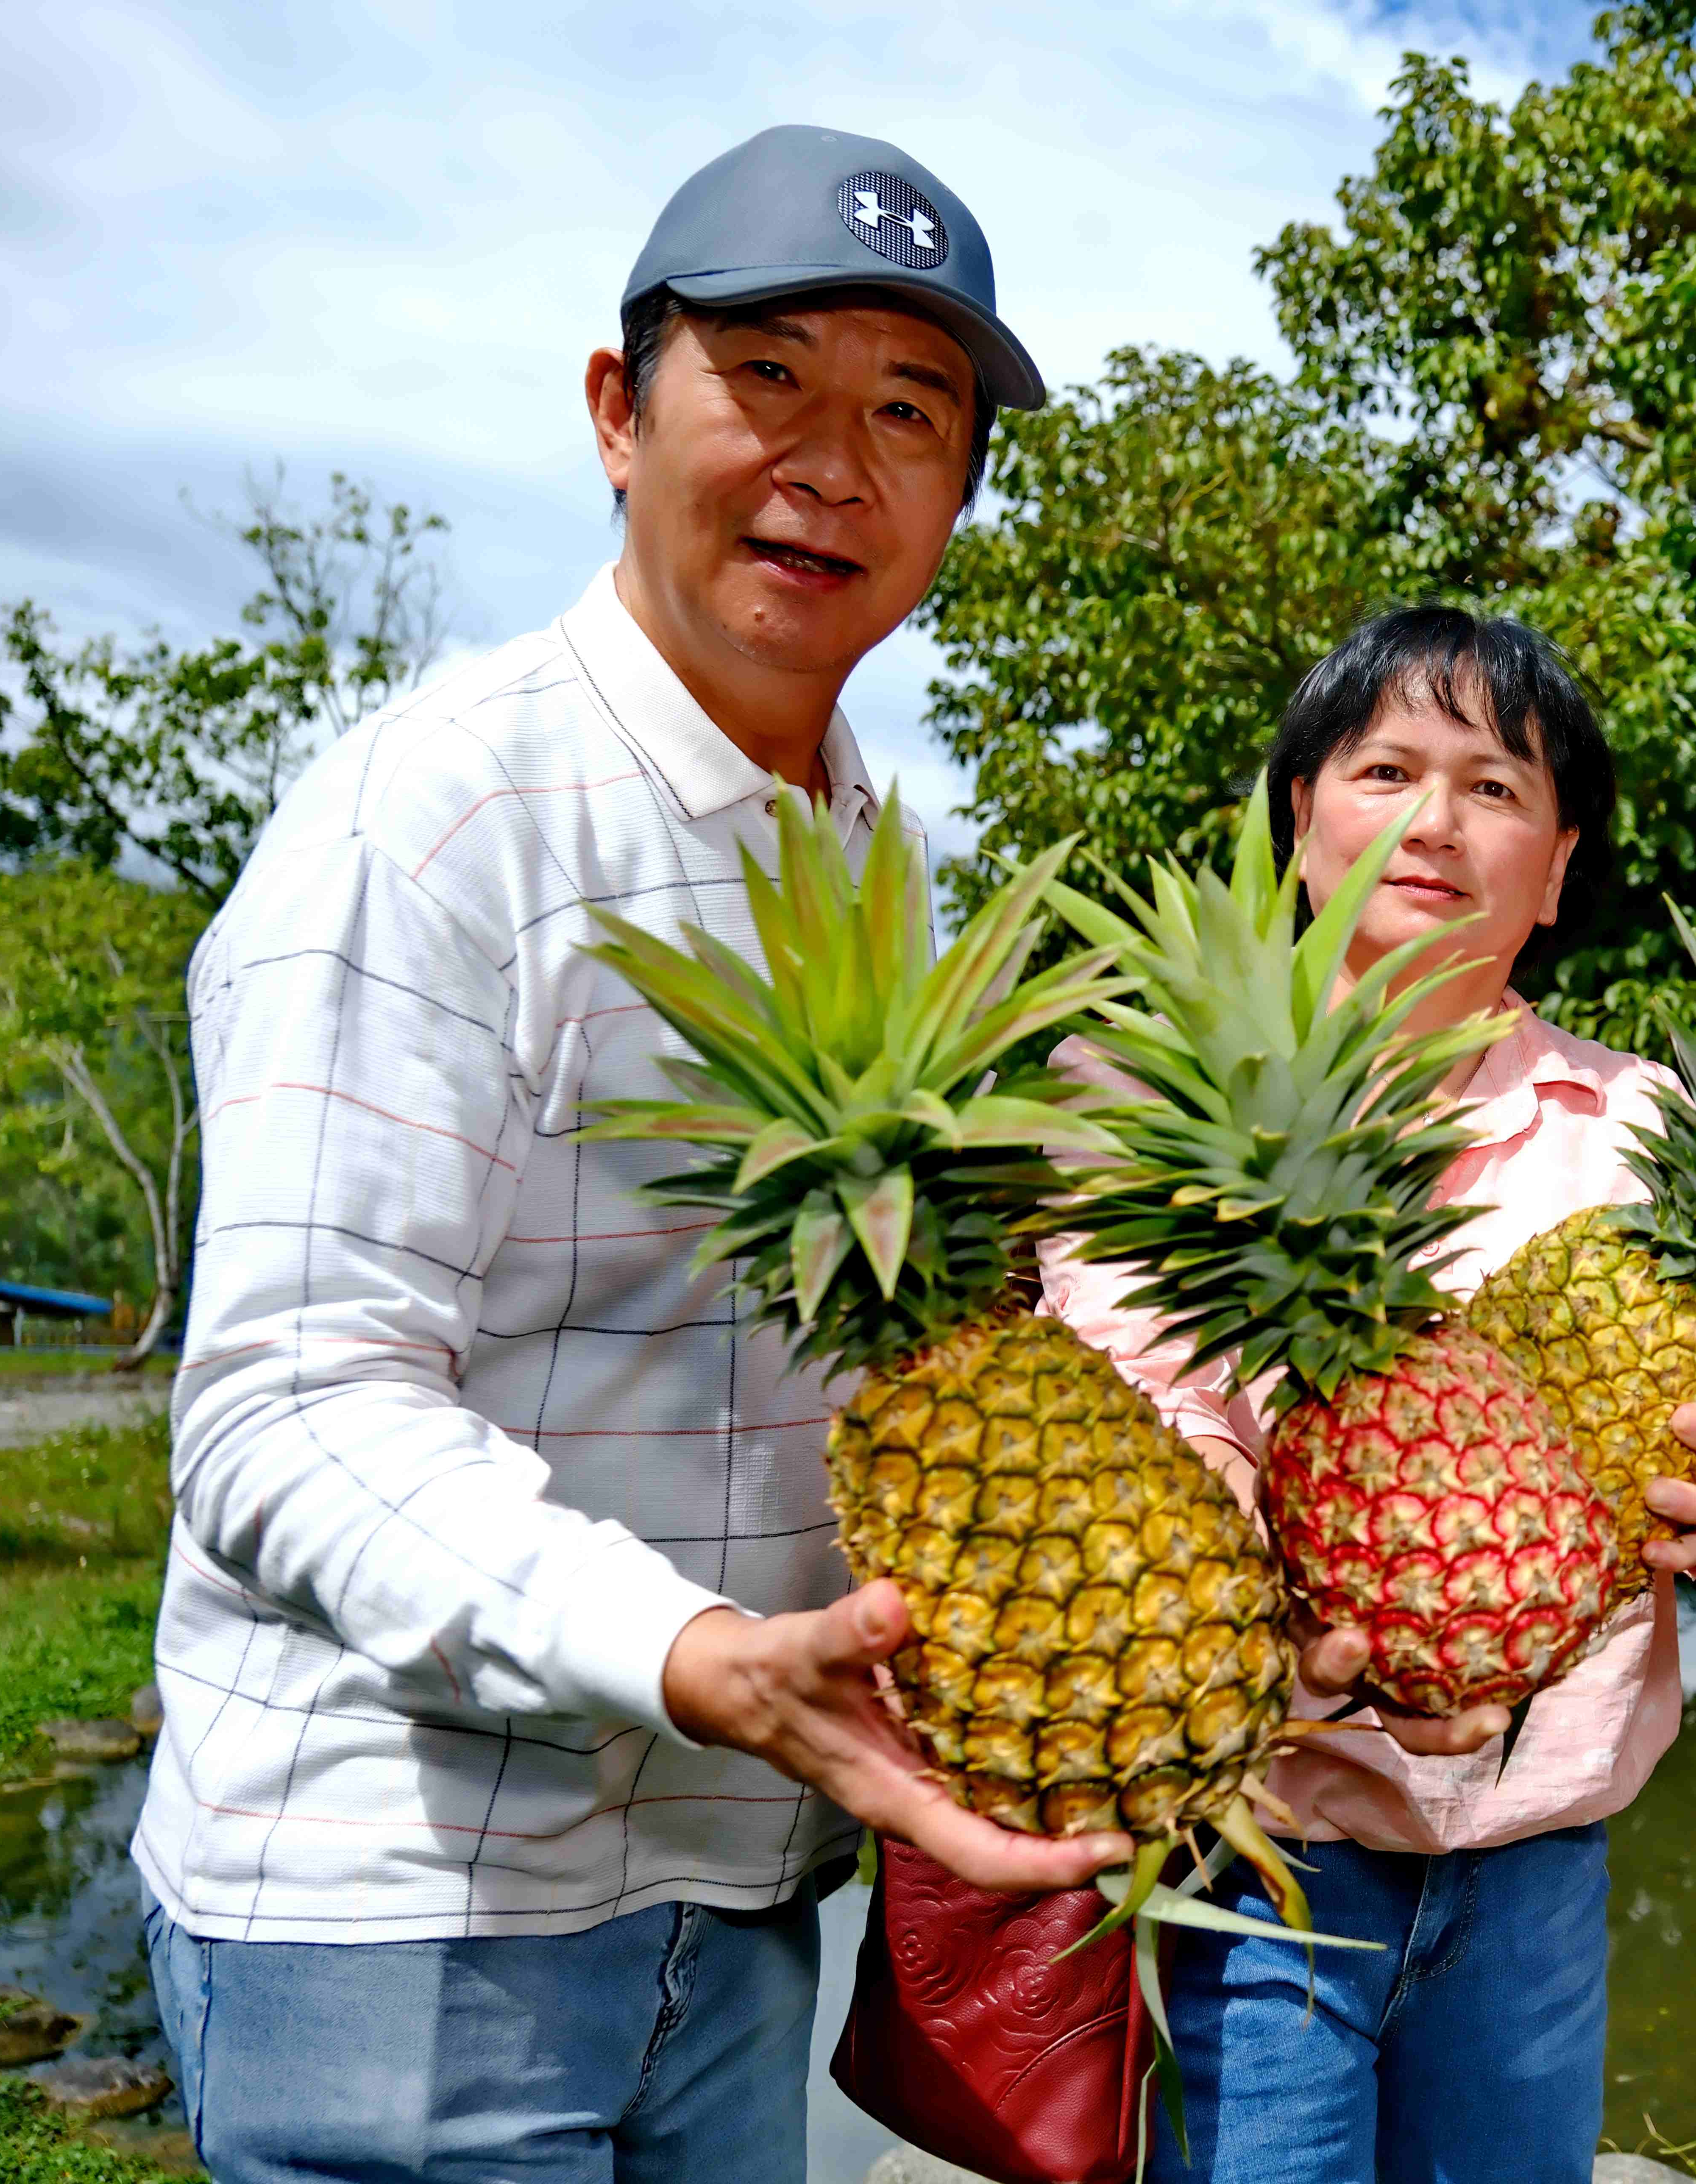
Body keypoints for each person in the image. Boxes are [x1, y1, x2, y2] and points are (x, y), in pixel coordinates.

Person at [132, 127, 1112, 2181]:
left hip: (735, 1898)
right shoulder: (442, 817)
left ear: (956, 499)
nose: (836, 462)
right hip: (414, 1917)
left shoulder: (876, 869)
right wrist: (681, 1651)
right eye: (770, 377)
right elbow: (287, 1406)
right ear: (615, 409)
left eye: (911, 414)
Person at [1039, 606, 1696, 2184]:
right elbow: (1142, 1409)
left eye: (1494, 787)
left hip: (1540, 1871)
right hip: (1253, 1868)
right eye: (1385, 768)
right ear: (1301, 823)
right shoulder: (1170, 1121)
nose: (1435, 822)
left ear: (1557, 858)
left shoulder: (1651, 1125)